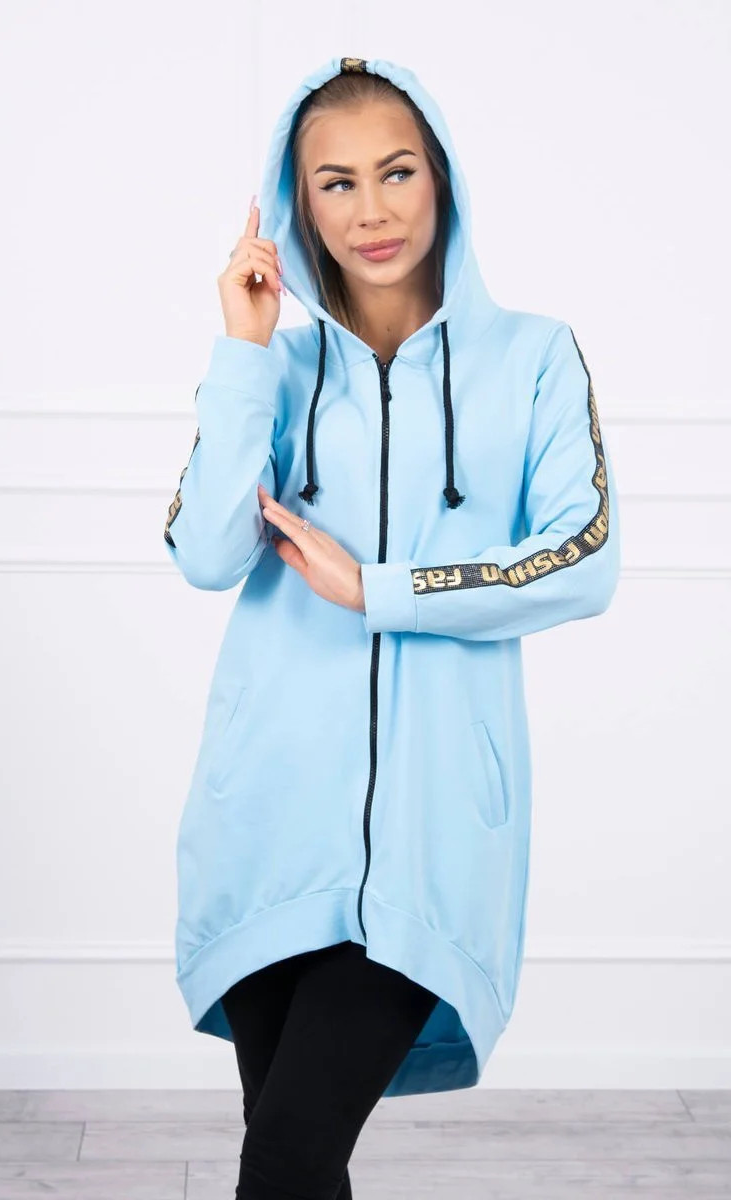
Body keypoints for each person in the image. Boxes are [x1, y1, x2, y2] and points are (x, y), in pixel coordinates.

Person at [164, 55, 620, 1199]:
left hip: (432, 841)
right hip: (267, 824)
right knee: (293, 1163)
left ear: (441, 177)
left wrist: (383, 588)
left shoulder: (531, 358)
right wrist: (241, 350)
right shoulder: (272, 365)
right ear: (296, 203)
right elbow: (205, 553)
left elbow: (581, 559)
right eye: (335, 182)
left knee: (286, 1157)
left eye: (395, 171)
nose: (370, 210)